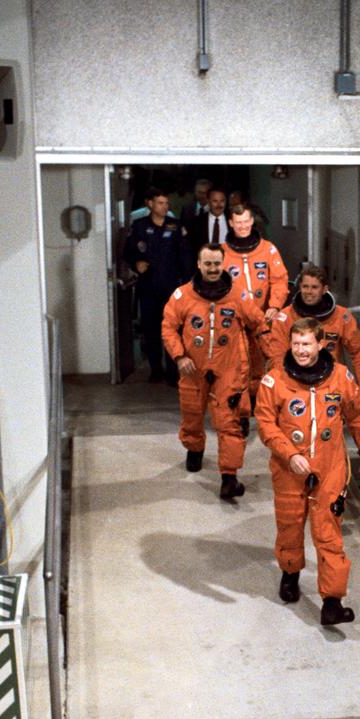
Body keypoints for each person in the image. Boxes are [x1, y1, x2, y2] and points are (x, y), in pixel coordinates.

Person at [255, 317, 360, 626]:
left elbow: (357, 416)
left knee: (328, 533)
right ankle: (290, 573)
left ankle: (332, 602)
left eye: (306, 344)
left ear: (321, 344)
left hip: (329, 466)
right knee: (290, 524)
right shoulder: (275, 380)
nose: (301, 351)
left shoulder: (340, 377)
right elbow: (266, 425)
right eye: (295, 344)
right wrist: (289, 454)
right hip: (289, 468)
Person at [161, 244, 266, 501]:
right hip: (192, 368)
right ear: (198, 264)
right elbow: (168, 327)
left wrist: (268, 360)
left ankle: (229, 477)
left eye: (216, 264)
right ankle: (194, 449)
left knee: (230, 422)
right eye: (207, 264)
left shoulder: (239, 295)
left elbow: (259, 324)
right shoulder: (183, 295)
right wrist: (180, 355)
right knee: (192, 414)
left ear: (223, 264)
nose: (212, 269)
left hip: (228, 369)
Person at [266, 263, 360, 396]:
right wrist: (283, 389)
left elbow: (358, 352)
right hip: (294, 385)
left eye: (314, 287)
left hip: (330, 385)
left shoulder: (341, 317)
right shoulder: (285, 318)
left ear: (325, 289)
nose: (309, 292)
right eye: (305, 287)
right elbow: (277, 357)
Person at [123, 189, 190, 382]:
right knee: (151, 329)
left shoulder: (176, 227)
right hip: (148, 287)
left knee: (173, 329)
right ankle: (155, 370)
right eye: (160, 203)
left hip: (171, 287)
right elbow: (127, 252)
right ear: (150, 204)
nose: (165, 206)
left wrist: (186, 286)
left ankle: (172, 371)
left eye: (166, 203)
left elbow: (186, 257)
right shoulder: (139, 227)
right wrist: (137, 263)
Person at [222, 202, 289, 386]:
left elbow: (279, 280)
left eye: (246, 221)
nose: (242, 226)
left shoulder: (268, 249)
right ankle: (241, 406)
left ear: (252, 221)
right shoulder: (222, 252)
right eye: (238, 222)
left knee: (270, 361)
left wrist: (274, 305)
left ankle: (264, 402)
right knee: (237, 363)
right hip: (236, 318)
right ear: (230, 223)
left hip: (263, 317)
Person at [187, 186, 228, 263]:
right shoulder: (196, 223)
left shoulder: (233, 220)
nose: (219, 205)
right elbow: (191, 251)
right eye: (215, 201)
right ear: (208, 202)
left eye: (222, 201)